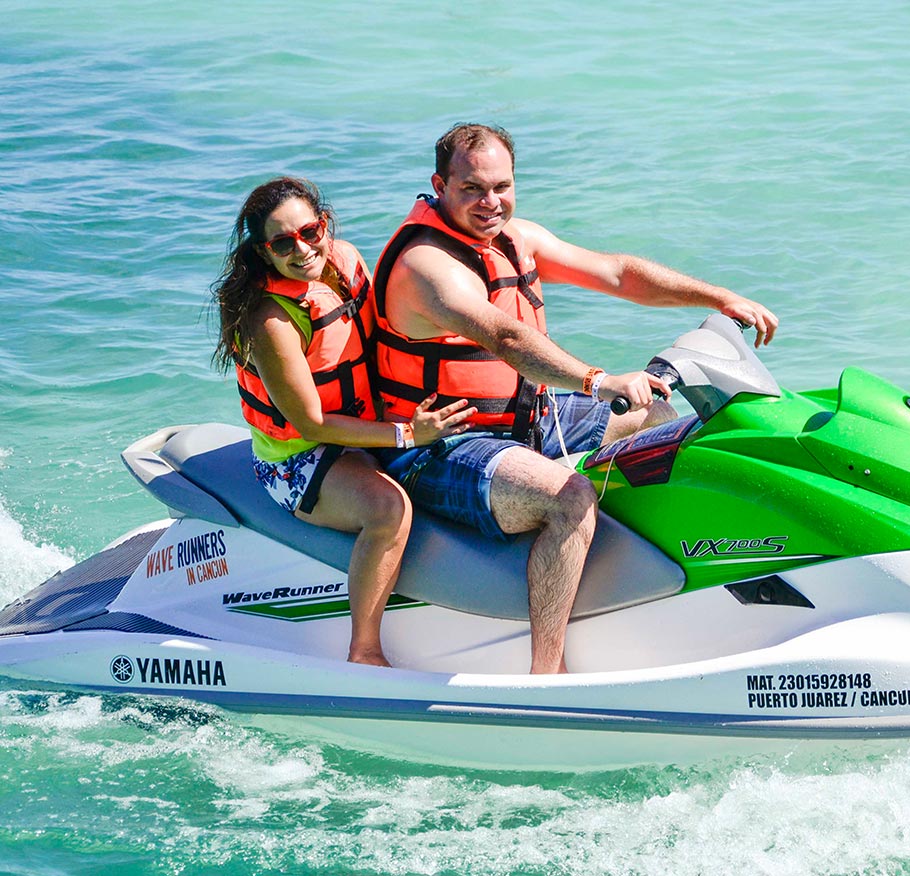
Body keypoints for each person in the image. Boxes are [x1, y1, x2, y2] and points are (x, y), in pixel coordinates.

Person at [371, 124, 779, 674]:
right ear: (439, 186)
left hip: (525, 420)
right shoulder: (426, 267)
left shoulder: (518, 238)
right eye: (472, 189)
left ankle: (646, 589)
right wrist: (595, 380)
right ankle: (548, 673)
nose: (491, 203)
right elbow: (507, 338)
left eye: (502, 186)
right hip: (439, 442)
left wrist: (719, 295)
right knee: (571, 498)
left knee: (655, 415)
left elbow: (618, 274)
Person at [211, 177, 475, 668]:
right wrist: (404, 434)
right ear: (264, 253)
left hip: (366, 423)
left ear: (324, 224)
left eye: (309, 232)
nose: (301, 249)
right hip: (299, 459)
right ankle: (365, 649)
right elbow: (310, 423)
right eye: (282, 243)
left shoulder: (346, 261)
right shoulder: (272, 320)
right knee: (388, 510)